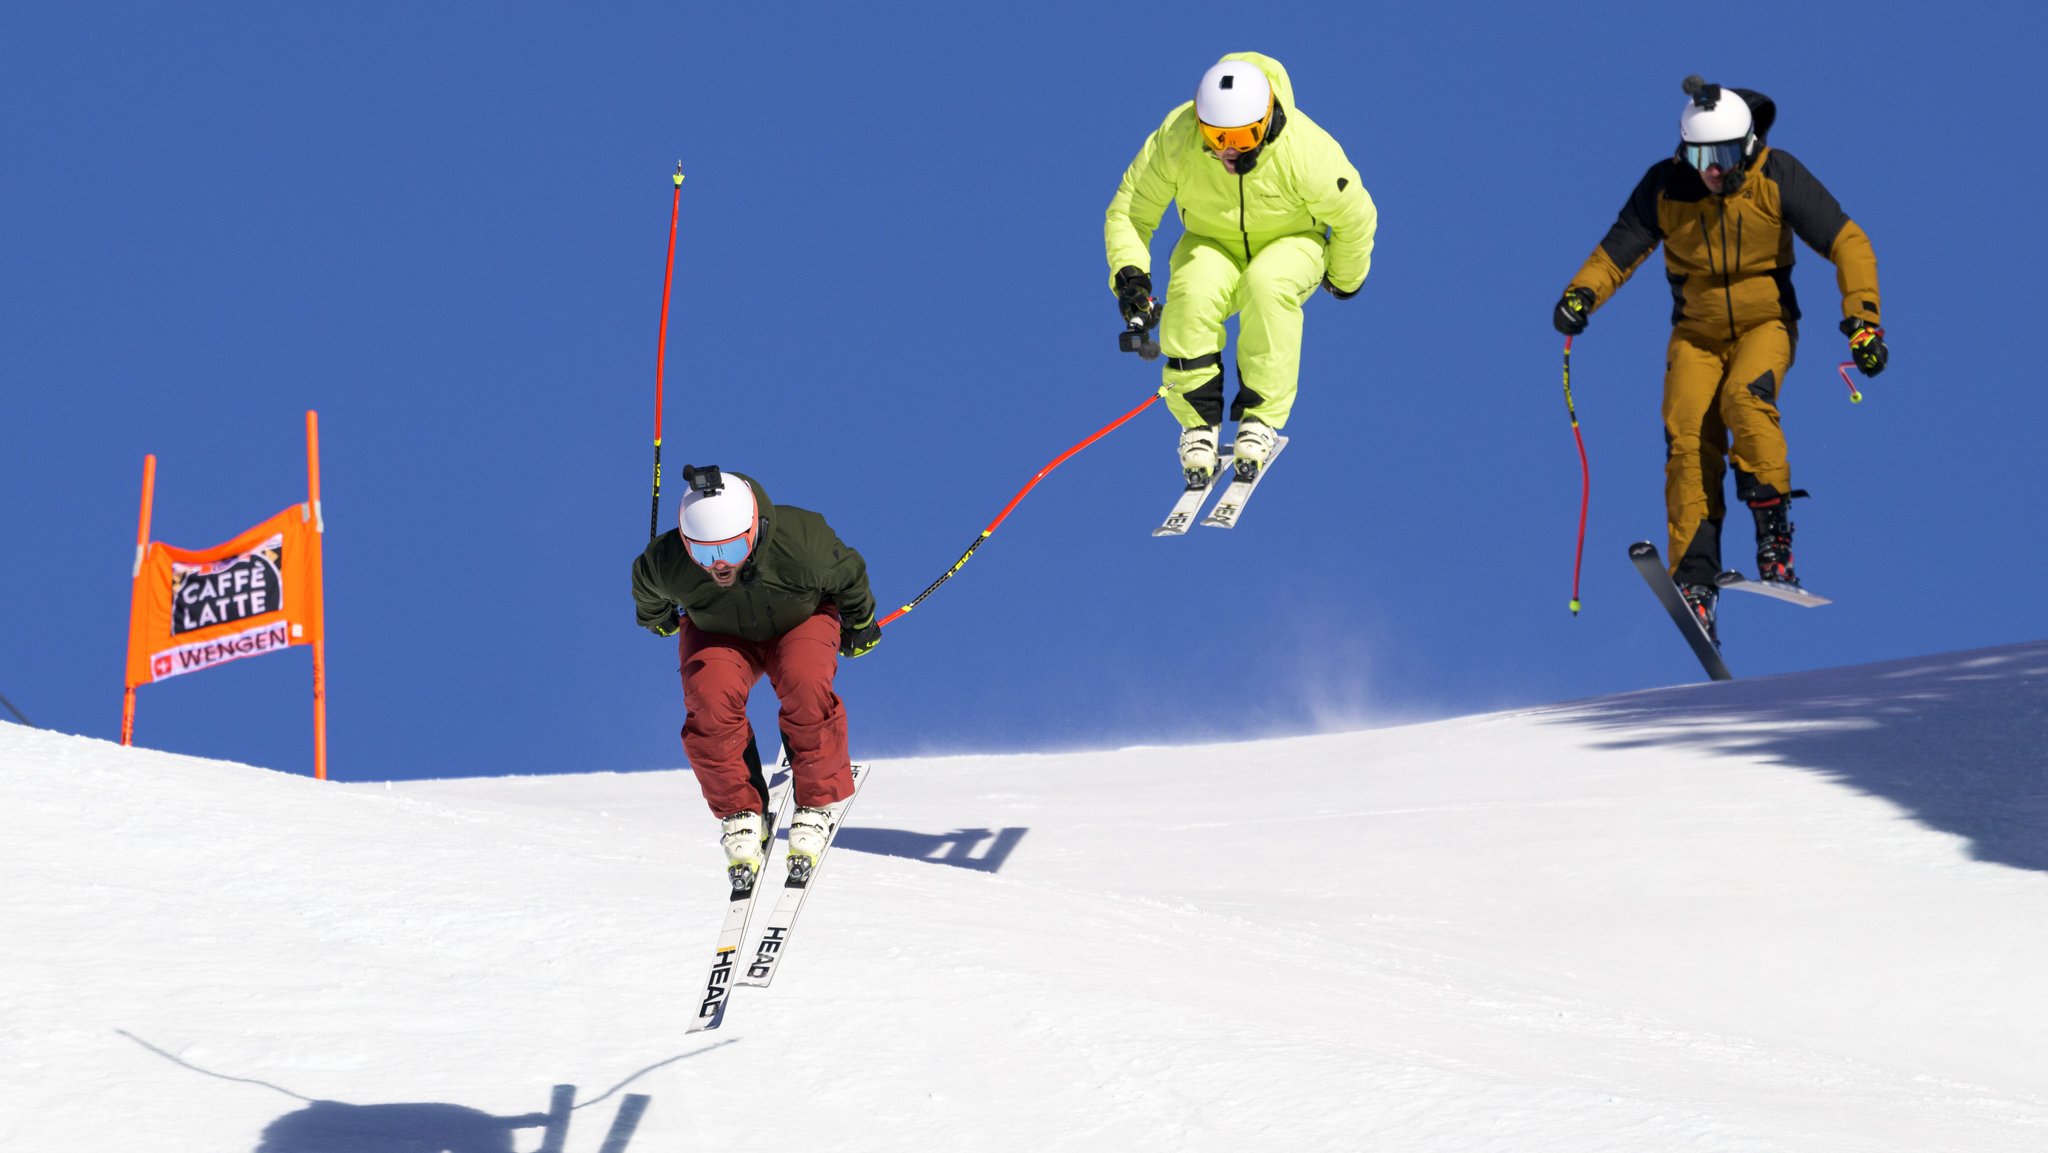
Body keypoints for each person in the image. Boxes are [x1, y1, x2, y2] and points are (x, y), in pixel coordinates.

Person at [1552, 76, 1887, 644]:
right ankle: (1697, 579)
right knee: (1687, 433)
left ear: (1749, 145)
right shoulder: (1666, 187)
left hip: (1766, 324)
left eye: (1727, 154)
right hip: (1696, 335)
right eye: (1703, 155)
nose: (1714, 169)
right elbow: (1617, 250)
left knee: (1743, 401)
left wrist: (1864, 321)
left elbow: (1847, 241)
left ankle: (1774, 540)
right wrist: (1581, 293)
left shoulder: (1778, 177)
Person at [1105, 52, 1378, 488]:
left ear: (1266, 122)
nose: (1228, 152)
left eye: (1243, 138)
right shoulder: (1178, 137)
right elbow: (1131, 211)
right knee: (1192, 293)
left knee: (1267, 285)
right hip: (1212, 240)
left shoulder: (1305, 151)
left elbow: (1355, 215)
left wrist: (1345, 278)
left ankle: (1260, 419)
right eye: (1215, 139)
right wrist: (1131, 276)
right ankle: (1198, 424)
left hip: (1291, 241)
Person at [630, 465, 882, 883]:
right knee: (708, 707)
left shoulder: (801, 541)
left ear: (753, 529)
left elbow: (849, 574)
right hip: (720, 633)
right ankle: (741, 811)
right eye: (706, 555)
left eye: (730, 549)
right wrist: (659, 619)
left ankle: (816, 801)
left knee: (806, 686)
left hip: (798, 621)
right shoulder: (669, 560)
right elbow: (646, 587)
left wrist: (860, 625)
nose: (720, 566)